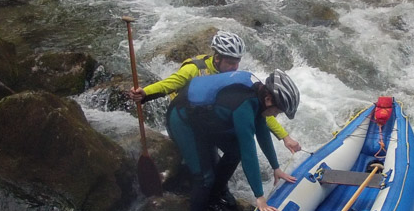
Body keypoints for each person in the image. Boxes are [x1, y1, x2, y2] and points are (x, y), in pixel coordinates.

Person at [166, 69, 300, 211]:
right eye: (278, 111)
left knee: (234, 150)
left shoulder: (259, 96)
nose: (276, 115)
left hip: (206, 117)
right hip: (183, 119)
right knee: (204, 178)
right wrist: (259, 197)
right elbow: (248, 152)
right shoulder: (244, 105)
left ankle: (215, 196)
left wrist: (276, 167)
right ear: (269, 99)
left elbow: (262, 131)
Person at [127, 31, 301, 154]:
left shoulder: (233, 77)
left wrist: (285, 137)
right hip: (187, 121)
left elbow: (259, 107)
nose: (235, 67)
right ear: (217, 58)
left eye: (237, 62)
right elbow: (169, 84)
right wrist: (145, 93)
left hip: (211, 119)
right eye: (230, 63)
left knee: (236, 146)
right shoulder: (194, 69)